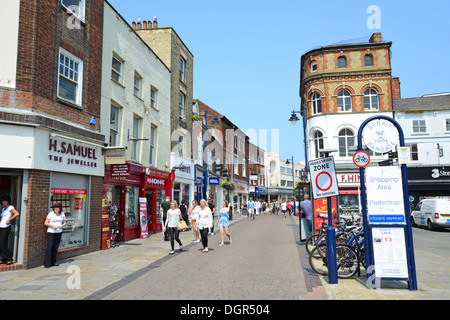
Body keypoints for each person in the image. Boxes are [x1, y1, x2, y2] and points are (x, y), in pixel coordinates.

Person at [44, 202, 66, 268]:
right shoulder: (51, 214)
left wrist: (62, 225)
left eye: (57, 208)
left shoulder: (62, 214)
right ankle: (47, 263)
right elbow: (45, 223)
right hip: (51, 232)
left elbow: (64, 222)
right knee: (50, 247)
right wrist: (52, 226)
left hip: (59, 232)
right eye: (55, 207)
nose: (56, 209)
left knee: (55, 247)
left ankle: (54, 262)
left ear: (60, 208)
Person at [0, 196, 19, 265]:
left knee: (1, 243)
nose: (3, 202)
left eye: (5, 201)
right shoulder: (3, 209)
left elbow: (16, 214)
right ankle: (4, 258)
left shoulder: (10, 207)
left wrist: (9, 220)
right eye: (3, 201)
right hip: (1, 226)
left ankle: (9, 258)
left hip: (6, 227)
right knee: (3, 243)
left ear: (8, 201)